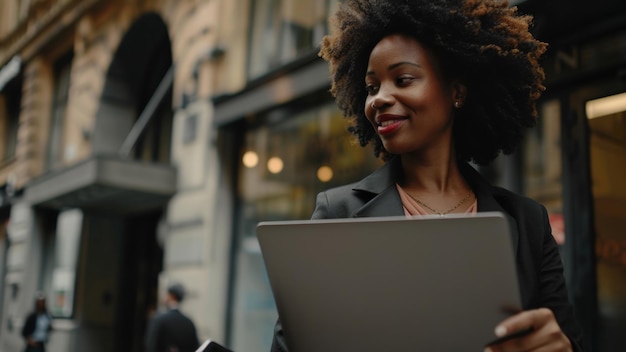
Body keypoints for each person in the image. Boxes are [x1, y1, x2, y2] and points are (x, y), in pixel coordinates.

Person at [271, 0, 585, 351]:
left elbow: (568, 339)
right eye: (372, 87)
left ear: (457, 92)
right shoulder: (337, 213)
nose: (379, 99)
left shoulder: (528, 222)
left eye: (402, 79)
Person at [145, 283, 200, 352]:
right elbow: (195, 348)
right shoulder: (189, 323)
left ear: (171, 296)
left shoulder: (158, 319)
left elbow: (151, 346)